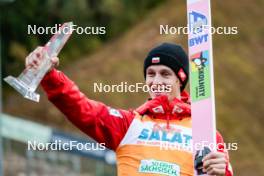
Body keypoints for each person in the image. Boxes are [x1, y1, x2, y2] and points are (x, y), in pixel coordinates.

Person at [26, 43, 233, 176]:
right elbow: (81, 108)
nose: (156, 81)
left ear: (181, 80)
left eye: (165, 74)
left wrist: (222, 173)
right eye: (150, 74)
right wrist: (50, 75)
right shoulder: (127, 123)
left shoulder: (207, 132)